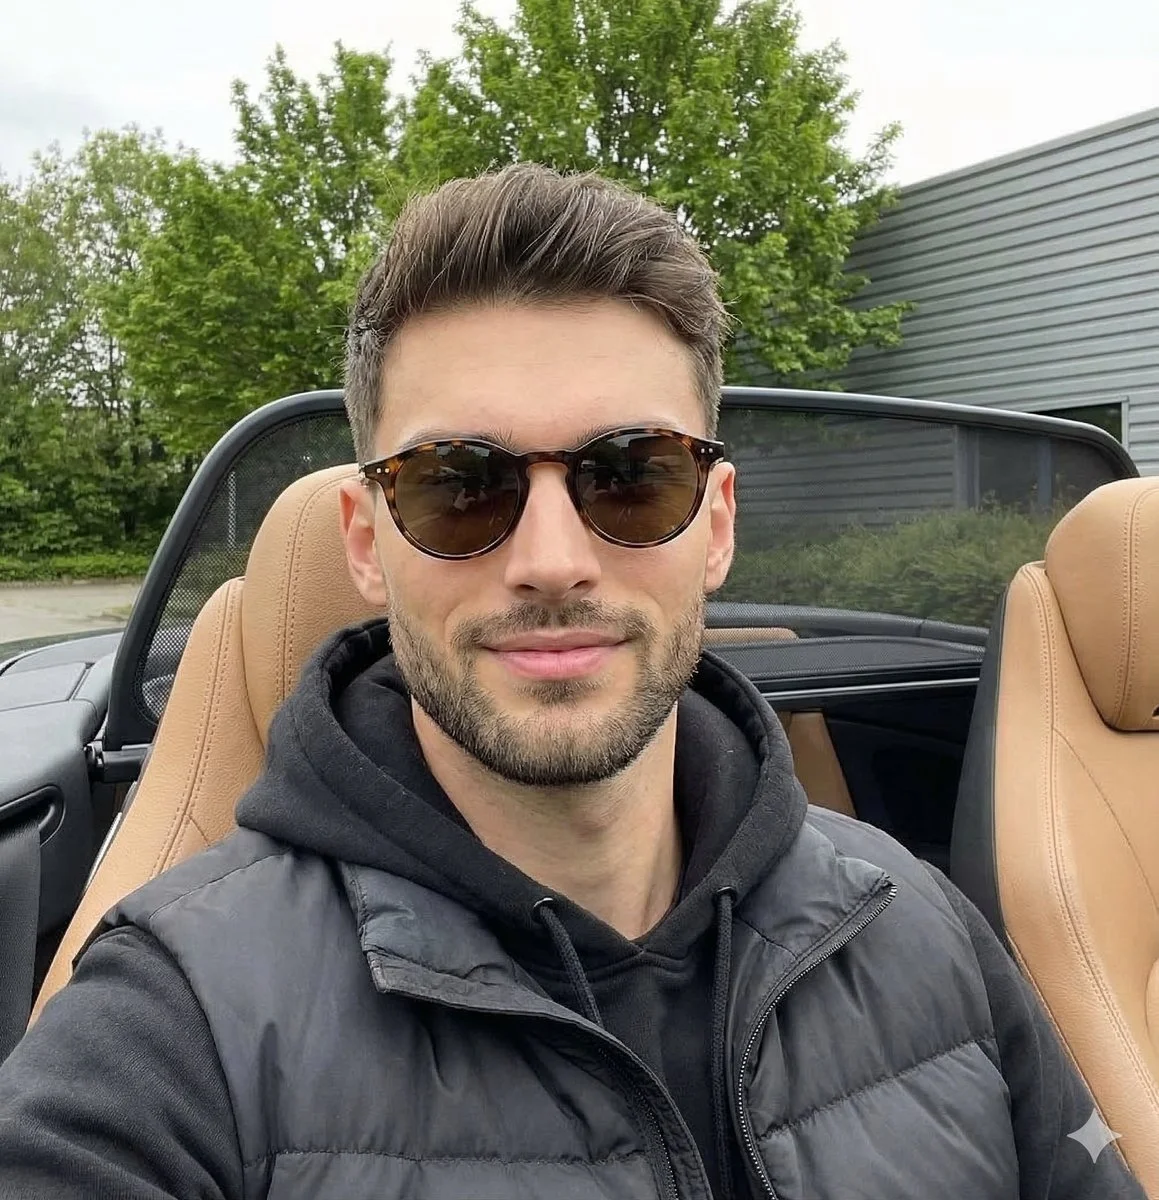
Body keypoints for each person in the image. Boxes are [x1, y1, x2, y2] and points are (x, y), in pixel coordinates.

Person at [0, 163, 1144, 1200]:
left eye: (631, 476)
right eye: (458, 485)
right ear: (365, 539)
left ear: (715, 524)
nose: (552, 561)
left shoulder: (923, 929)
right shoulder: (170, 1023)